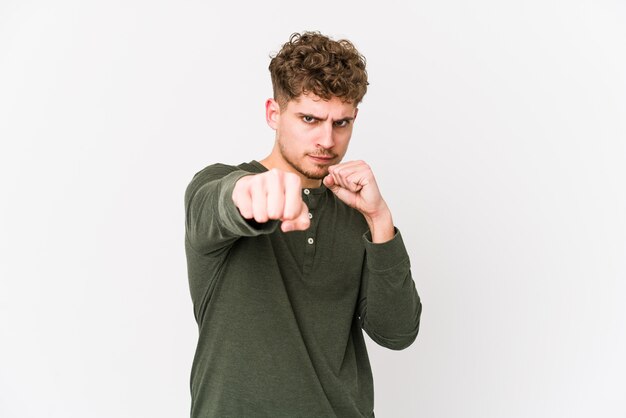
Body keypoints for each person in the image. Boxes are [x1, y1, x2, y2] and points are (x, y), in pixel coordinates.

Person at [184, 31, 422, 418]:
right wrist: (251, 194)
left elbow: (396, 333)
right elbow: (218, 205)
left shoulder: (355, 211)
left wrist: (380, 221)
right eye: (309, 119)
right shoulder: (216, 184)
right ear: (273, 114)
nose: (327, 140)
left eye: (341, 123)